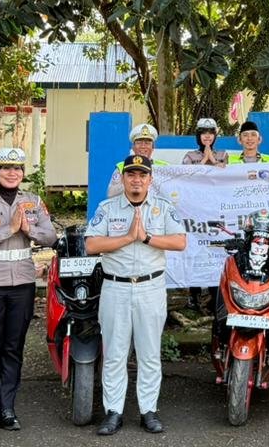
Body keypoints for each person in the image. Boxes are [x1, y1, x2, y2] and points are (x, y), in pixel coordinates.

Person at [84, 154, 188, 435]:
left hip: (150, 288)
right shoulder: (108, 208)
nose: (136, 180)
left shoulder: (163, 208)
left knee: (149, 353)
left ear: (150, 180)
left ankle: (148, 411)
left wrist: (146, 238)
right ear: (123, 178)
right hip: (115, 288)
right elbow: (92, 245)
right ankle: (113, 412)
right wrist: (128, 238)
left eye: (142, 175)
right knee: (114, 354)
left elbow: (180, 241)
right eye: (131, 174)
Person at [0, 147, 57, 433]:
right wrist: (9, 229)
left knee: (13, 347)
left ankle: (8, 408)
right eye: (6, 168)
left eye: (17, 168)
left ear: (23, 173)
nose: (12, 173)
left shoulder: (34, 201)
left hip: (22, 284)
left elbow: (51, 236)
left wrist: (29, 231)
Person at [182, 118, 226, 310]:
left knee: (214, 248)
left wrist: (213, 161)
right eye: (203, 133)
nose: (207, 136)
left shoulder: (223, 154)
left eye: (210, 133)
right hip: (194, 209)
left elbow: (225, 177)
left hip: (215, 208)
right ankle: (194, 294)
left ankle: (214, 294)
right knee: (194, 247)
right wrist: (203, 161)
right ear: (198, 136)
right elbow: (185, 177)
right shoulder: (189, 155)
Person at [106, 123, 169, 197]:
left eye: (147, 143)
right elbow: (111, 194)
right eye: (139, 143)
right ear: (133, 147)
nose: (143, 146)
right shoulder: (122, 166)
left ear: (153, 147)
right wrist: (131, 182)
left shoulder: (164, 167)